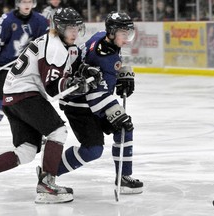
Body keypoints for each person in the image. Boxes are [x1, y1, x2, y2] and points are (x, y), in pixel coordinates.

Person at [0, 7, 96, 204]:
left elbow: (69, 64)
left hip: (13, 96)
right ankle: (47, 185)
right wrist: (73, 85)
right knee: (58, 132)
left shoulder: (57, 42)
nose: (74, 32)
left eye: (76, 28)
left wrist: (82, 70)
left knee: (27, 151)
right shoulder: (54, 47)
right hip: (25, 94)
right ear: (59, 28)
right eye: (70, 28)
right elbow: (53, 89)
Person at [57, 11, 143, 194]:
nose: (126, 38)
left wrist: (121, 75)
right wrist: (115, 110)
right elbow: (95, 95)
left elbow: (101, 77)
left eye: (128, 33)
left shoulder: (101, 38)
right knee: (93, 150)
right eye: (123, 33)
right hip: (79, 104)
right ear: (111, 32)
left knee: (124, 128)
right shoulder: (103, 56)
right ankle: (50, 171)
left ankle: (123, 176)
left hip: (91, 97)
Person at [0, 0, 49, 151]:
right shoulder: (7, 20)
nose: (27, 4)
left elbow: (46, 46)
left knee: (34, 103)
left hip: (30, 70)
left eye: (29, 1)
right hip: (8, 68)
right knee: (0, 103)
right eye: (24, 1)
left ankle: (38, 133)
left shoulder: (41, 21)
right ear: (18, 3)